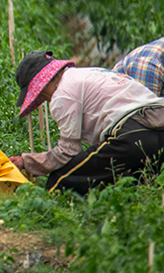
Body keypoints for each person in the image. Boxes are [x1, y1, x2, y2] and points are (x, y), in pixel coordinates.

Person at [10, 50, 164, 194]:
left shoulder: (62, 94)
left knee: (60, 180)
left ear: (40, 88)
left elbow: (68, 151)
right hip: (158, 123)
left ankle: (60, 215)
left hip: (132, 133)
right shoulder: (87, 73)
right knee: (130, 183)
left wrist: (28, 162)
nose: (42, 99)